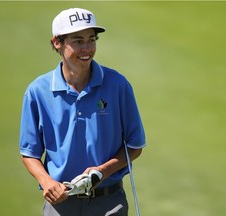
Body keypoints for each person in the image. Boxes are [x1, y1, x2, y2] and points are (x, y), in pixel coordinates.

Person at [19, 7, 146, 216]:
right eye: (78, 41)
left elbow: (134, 146)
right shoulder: (37, 91)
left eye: (91, 39)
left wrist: (102, 172)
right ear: (57, 43)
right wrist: (47, 182)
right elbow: (29, 152)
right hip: (60, 204)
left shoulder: (118, 85)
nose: (87, 48)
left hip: (109, 203)